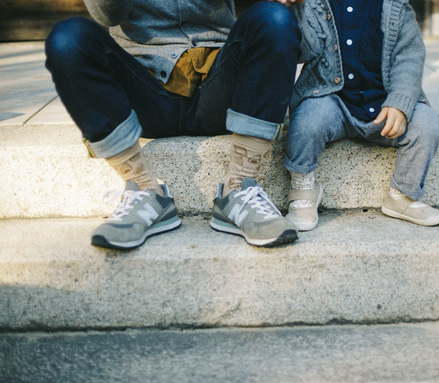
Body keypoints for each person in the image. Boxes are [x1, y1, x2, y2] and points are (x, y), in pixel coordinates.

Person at [45, 0, 304, 249]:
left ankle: (238, 187)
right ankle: (144, 189)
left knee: (274, 18)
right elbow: (108, 15)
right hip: (145, 93)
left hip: (219, 91)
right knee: (69, 38)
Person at [285, 0, 439, 231]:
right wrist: (296, 12)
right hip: (331, 100)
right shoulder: (314, 5)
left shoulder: (396, 7)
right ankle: (303, 188)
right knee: (307, 121)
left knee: (427, 124)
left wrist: (400, 104)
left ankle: (403, 195)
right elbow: (303, 51)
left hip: (385, 106)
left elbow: (409, 57)